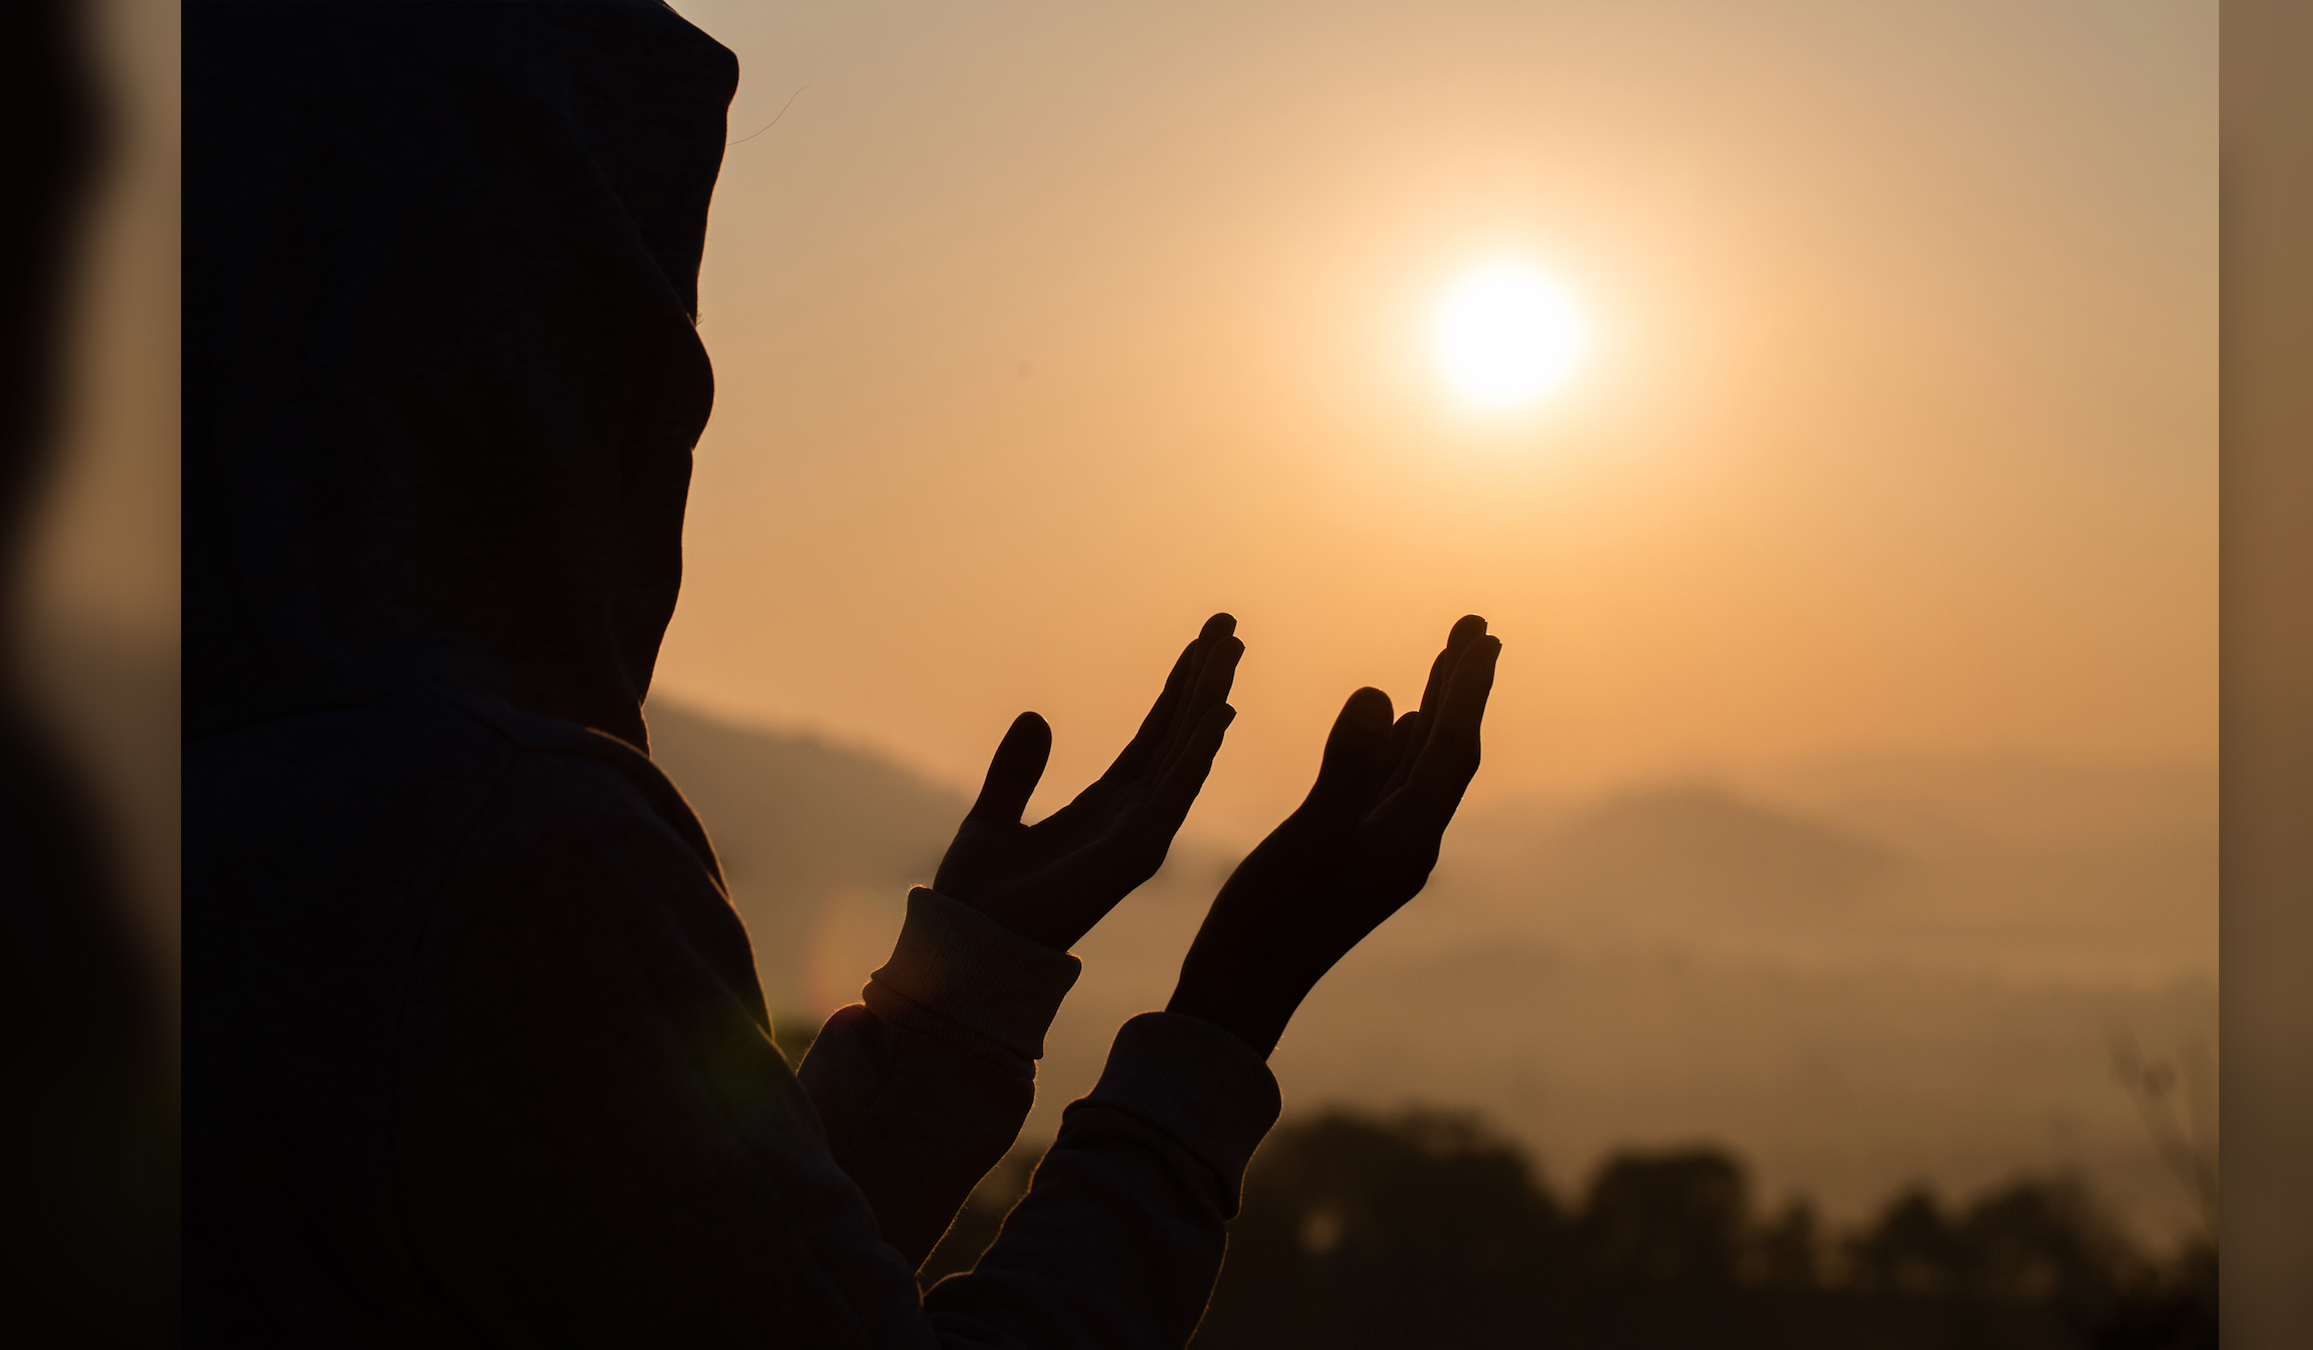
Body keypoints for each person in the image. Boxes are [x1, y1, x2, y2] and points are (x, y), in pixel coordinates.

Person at [184, 4, 1500, 1346]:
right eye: (640, 345)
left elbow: (690, 1293)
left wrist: (969, 987)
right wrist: (1228, 1008)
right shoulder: (491, 836)